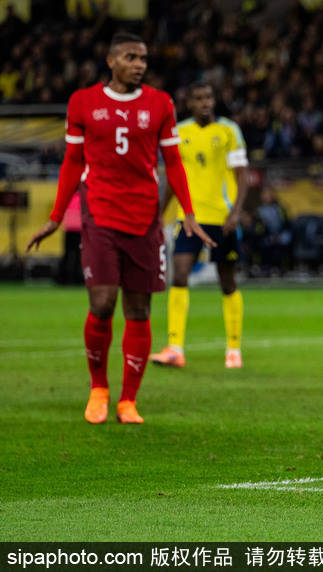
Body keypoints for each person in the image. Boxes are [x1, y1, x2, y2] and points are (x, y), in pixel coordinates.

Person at [26, 32, 213, 424]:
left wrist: (189, 212)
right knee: (102, 302)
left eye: (143, 58)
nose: (140, 64)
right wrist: (57, 216)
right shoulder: (83, 102)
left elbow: (174, 162)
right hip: (100, 213)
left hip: (145, 217)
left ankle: (128, 400)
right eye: (131, 57)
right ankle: (99, 388)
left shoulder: (160, 103)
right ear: (111, 61)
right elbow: (73, 163)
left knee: (140, 309)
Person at [149, 82, 248, 370]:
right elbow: (174, 175)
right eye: (198, 98)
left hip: (222, 217)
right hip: (188, 217)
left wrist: (236, 213)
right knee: (179, 274)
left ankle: (233, 348)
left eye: (209, 97)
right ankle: (175, 348)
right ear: (189, 103)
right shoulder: (179, 132)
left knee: (227, 280)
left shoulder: (229, 131)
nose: (205, 102)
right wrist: (161, 213)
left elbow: (242, 176)